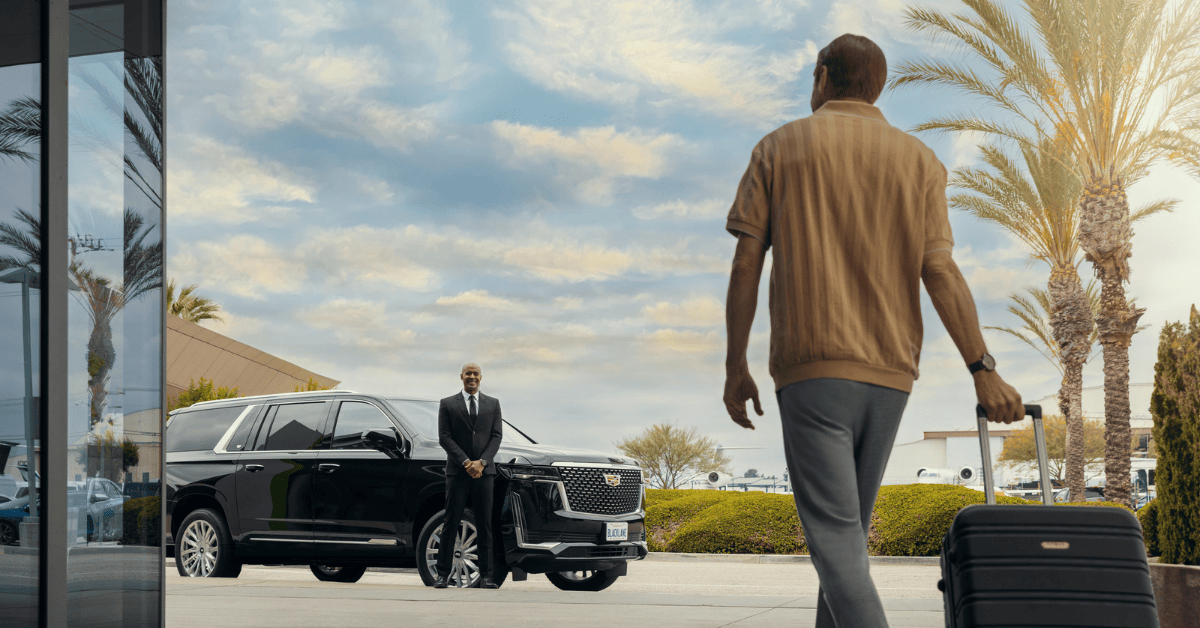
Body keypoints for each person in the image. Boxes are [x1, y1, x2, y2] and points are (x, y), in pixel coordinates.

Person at [722, 34, 1024, 627]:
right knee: (849, 540)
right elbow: (939, 270)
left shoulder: (779, 148)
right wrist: (982, 370)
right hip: (891, 374)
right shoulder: (919, 161)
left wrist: (736, 366)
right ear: (878, 87)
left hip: (813, 366)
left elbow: (745, 262)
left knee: (835, 543)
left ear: (821, 75)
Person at [433, 362, 504, 589]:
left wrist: (481, 462)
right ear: (461, 377)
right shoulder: (447, 404)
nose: (471, 377)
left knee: (485, 523)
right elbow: (444, 437)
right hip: (457, 471)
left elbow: (496, 436)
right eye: (468, 374)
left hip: (485, 472)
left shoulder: (493, 404)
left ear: (481, 377)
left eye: (475, 374)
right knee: (450, 521)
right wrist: (466, 462)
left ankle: (488, 576)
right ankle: (442, 574)